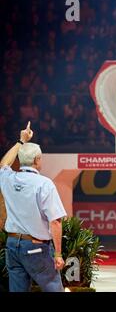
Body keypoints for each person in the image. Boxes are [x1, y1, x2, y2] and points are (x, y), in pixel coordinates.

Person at [0, 122, 67, 292]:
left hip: (12, 244)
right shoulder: (44, 184)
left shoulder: (8, 178)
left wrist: (20, 141)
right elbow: (56, 222)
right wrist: (58, 254)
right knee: (54, 289)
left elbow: (3, 164)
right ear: (37, 160)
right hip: (36, 246)